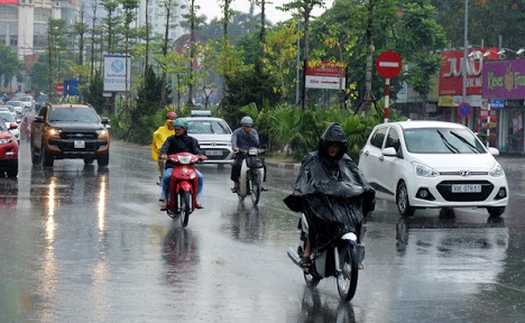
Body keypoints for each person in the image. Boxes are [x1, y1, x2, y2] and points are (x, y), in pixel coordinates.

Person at [284, 123, 375, 267]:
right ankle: (307, 251)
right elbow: (303, 180)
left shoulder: (345, 160)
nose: (333, 148)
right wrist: (305, 192)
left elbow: (357, 178)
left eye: (336, 146)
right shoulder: (312, 158)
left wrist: (365, 190)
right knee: (314, 215)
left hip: (339, 201)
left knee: (355, 217)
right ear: (325, 144)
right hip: (320, 199)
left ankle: (354, 249)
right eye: (331, 145)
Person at [159, 119, 208, 211]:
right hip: (172, 166)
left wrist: (201, 156)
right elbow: (164, 148)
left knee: (200, 177)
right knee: (166, 177)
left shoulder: (192, 140)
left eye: (179, 129)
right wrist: (164, 154)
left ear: (185, 129)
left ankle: (195, 200)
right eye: (175, 129)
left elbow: (197, 151)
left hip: (188, 167)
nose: (177, 131)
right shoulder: (170, 139)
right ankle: (166, 199)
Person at [230, 116, 260, 193]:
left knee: (261, 165)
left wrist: (250, 134)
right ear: (242, 126)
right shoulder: (237, 132)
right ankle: (236, 185)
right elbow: (234, 140)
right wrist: (235, 147)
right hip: (241, 153)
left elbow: (257, 142)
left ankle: (260, 184)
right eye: (245, 126)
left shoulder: (254, 132)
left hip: (252, 154)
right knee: (235, 166)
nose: (247, 128)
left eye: (249, 127)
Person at [151, 112, 178, 185]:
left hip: (177, 153)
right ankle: (162, 177)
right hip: (164, 152)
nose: (171, 124)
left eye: (173, 122)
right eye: (170, 122)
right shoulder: (159, 132)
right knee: (162, 162)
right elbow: (157, 144)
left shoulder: (178, 131)